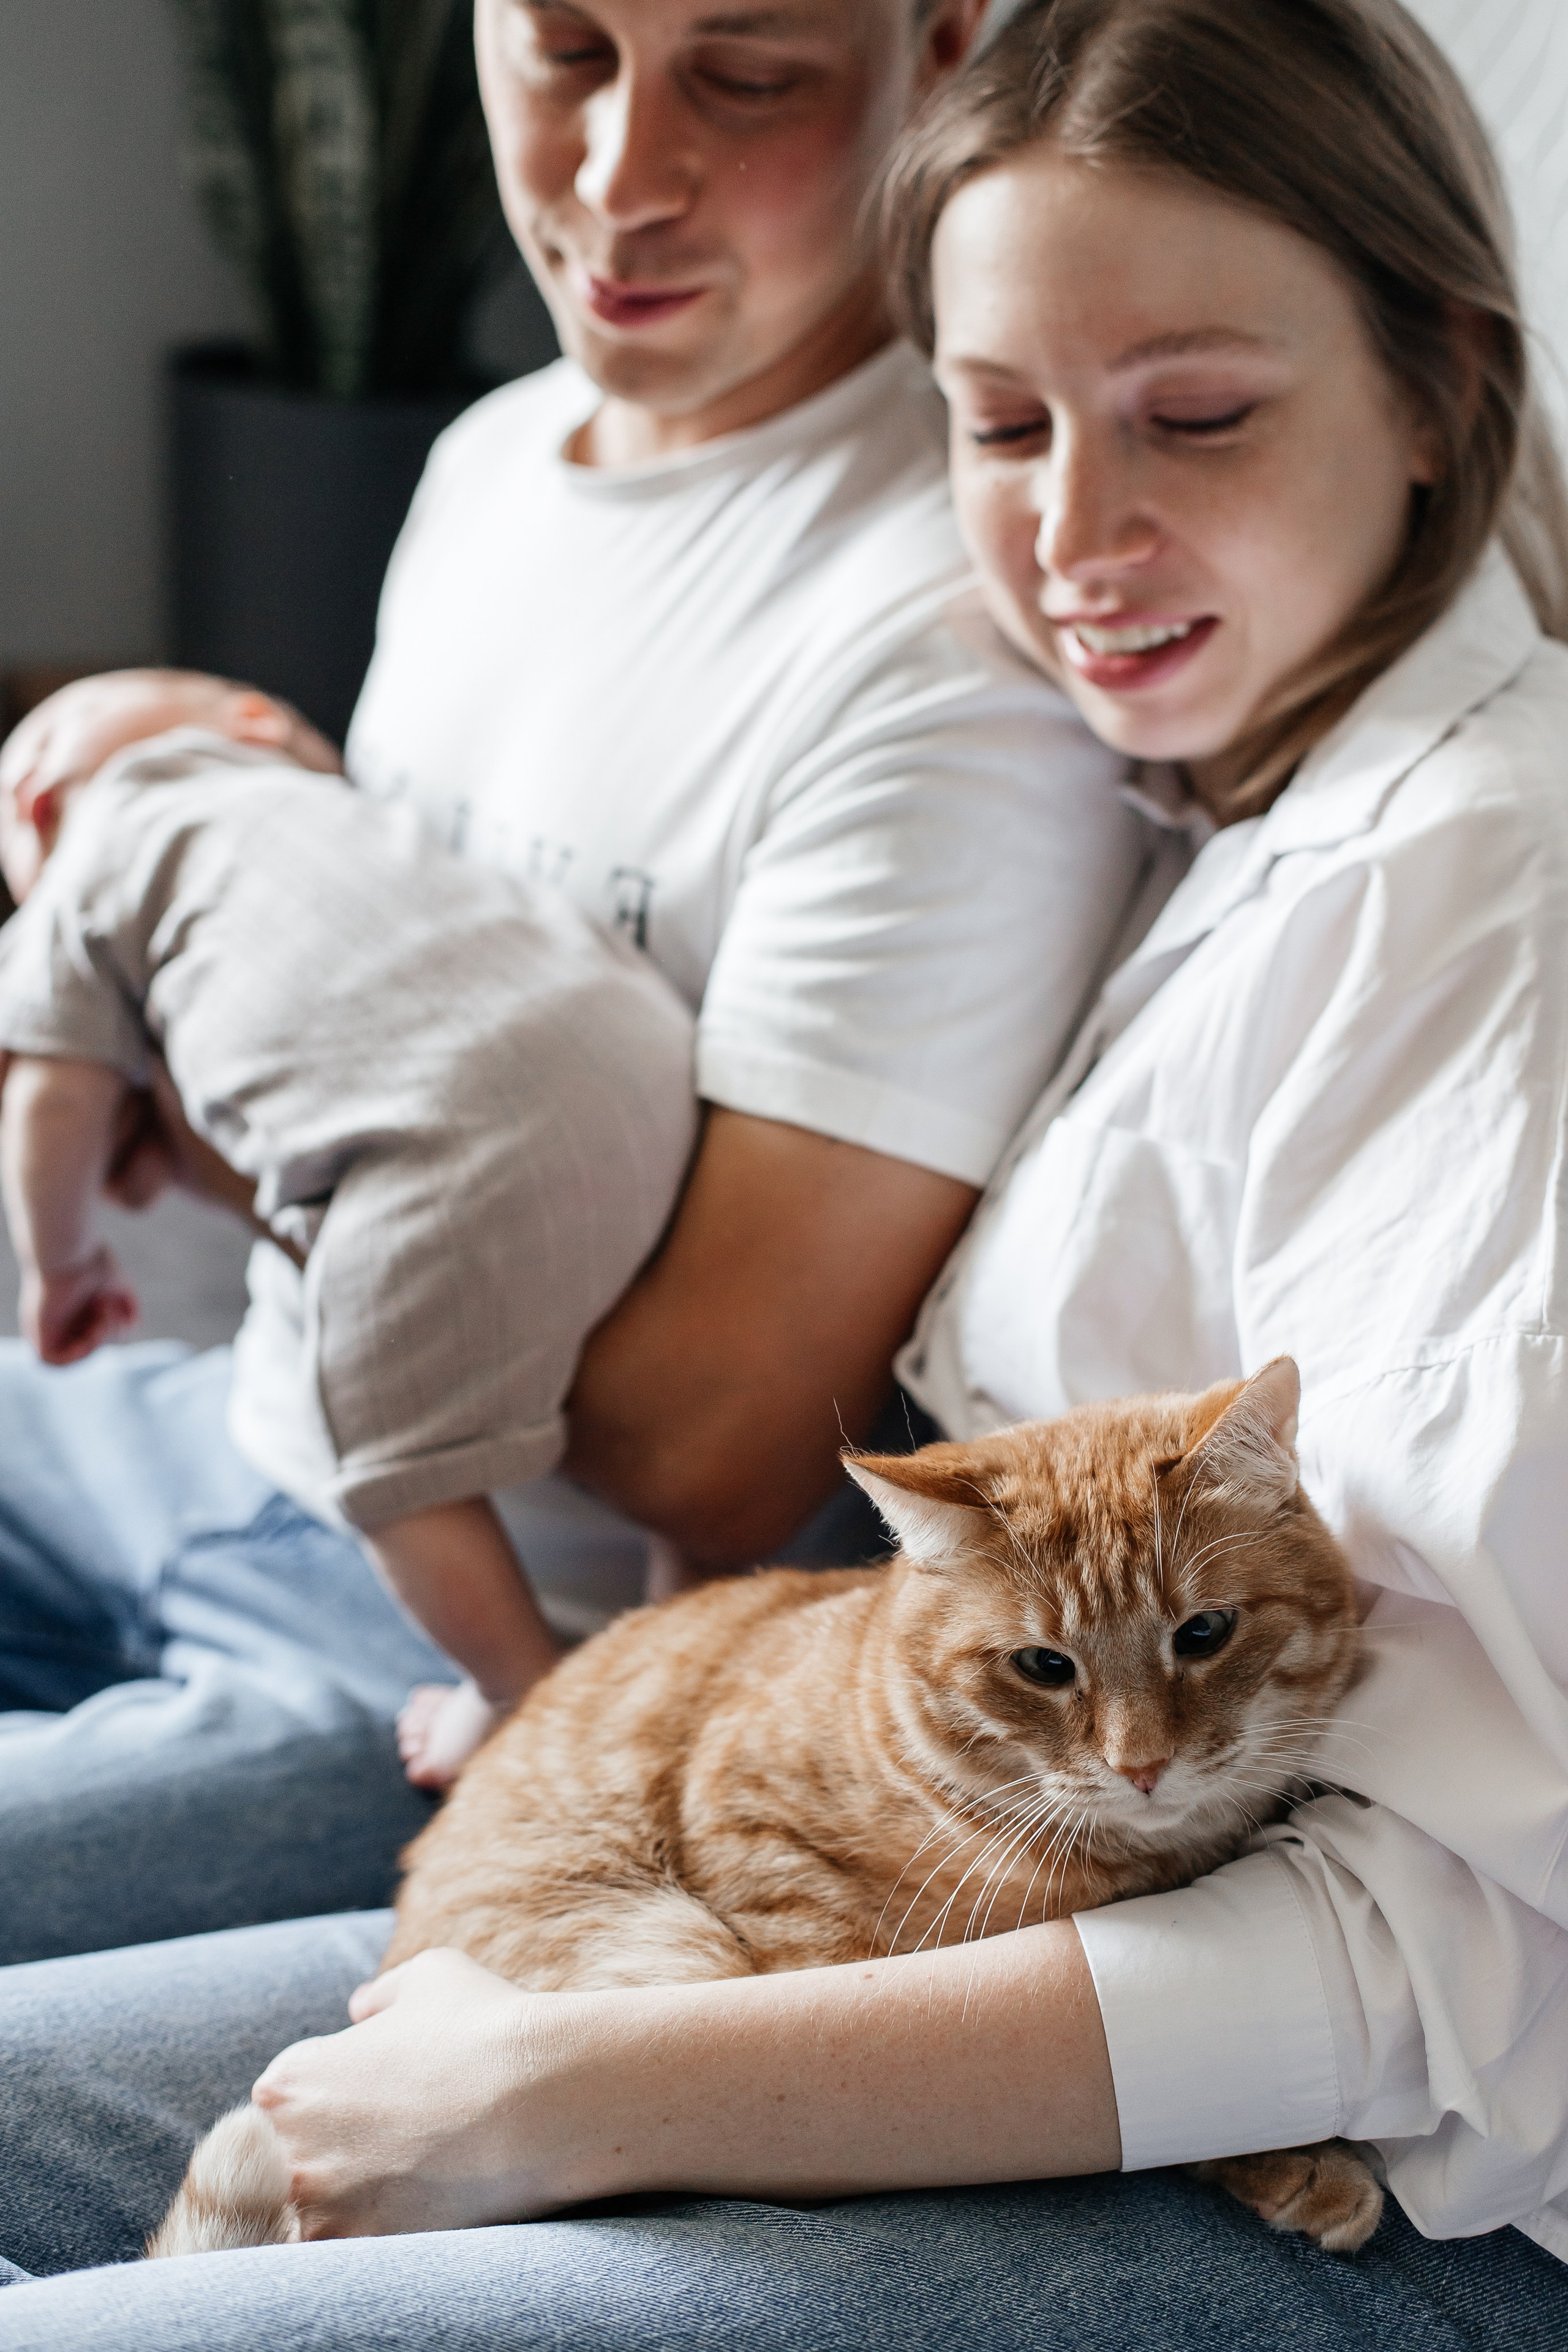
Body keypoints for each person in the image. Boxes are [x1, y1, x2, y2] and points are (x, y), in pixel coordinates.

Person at [7, 1, 1568, 2345]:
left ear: (1445, 383)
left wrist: (581, 2088)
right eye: (1000, 422)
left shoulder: (1474, 902)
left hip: (1336, 2186)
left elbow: (1465, 1961)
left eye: (1201, 418)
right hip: (921, 1909)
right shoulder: (1218, 771)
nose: (1070, 544)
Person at [0, 0, 1142, 1962]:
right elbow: (369, 1030)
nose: (618, 178)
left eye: (749, 76)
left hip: (468, 1643)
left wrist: (189, 1080)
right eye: (563, 52)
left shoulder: (955, 638)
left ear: (942, 41)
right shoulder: (498, 460)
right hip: (211, 1412)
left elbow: (717, 1439)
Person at [0, 669, 698, 1789]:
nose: (27, 774)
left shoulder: (104, 847)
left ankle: (521, 1698)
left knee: (397, 1462)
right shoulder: (358, 824)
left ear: (255, 718)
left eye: (60, 731)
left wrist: (64, 1259)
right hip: (639, 1073)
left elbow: (50, 1092)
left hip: (431, 1156)